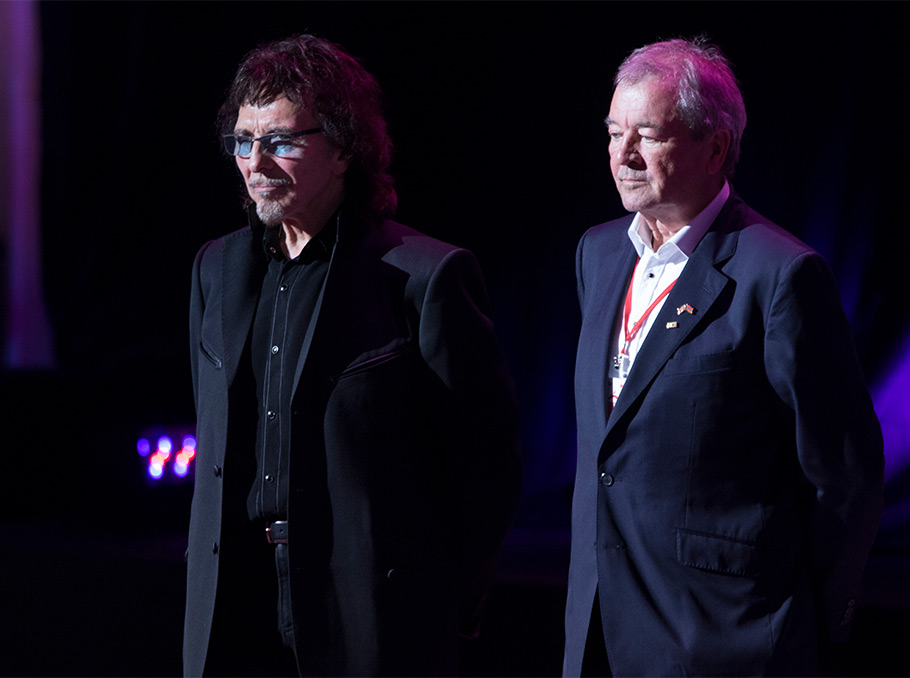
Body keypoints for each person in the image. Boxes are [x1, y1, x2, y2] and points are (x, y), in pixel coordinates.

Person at [184, 34, 521, 677]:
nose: (255, 162)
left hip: (365, 607)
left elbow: (486, 469)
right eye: (241, 140)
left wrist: (445, 601)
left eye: (280, 141)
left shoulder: (424, 277)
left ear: (342, 150)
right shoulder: (214, 269)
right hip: (236, 600)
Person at [564, 38, 883, 676]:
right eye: (613, 132)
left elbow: (843, 474)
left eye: (647, 135)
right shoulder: (598, 254)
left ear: (714, 147)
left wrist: (798, 616)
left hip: (725, 638)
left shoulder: (781, 274)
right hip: (600, 624)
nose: (622, 155)